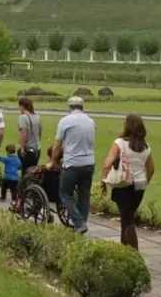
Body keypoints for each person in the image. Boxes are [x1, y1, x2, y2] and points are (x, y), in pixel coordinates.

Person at [100, 114, 155, 250]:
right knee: (127, 218)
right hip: (139, 185)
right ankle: (123, 248)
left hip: (124, 184)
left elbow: (108, 162)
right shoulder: (145, 146)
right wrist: (144, 182)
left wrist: (103, 178)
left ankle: (134, 251)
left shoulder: (119, 143)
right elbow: (151, 168)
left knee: (127, 219)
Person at [50, 96, 96, 234]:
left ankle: (79, 223)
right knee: (84, 194)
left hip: (72, 163)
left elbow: (58, 145)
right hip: (89, 162)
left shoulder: (65, 121)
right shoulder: (91, 121)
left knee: (65, 194)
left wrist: (53, 161)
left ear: (69, 107)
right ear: (83, 107)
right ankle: (82, 222)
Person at [18, 97, 42, 176]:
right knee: (33, 173)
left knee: (25, 172)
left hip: (28, 149)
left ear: (22, 106)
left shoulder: (23, 117)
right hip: (37, 149)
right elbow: (39, 132)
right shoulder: (37, 117)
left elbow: (23, 133)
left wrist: (21, 147)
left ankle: (24, 188)